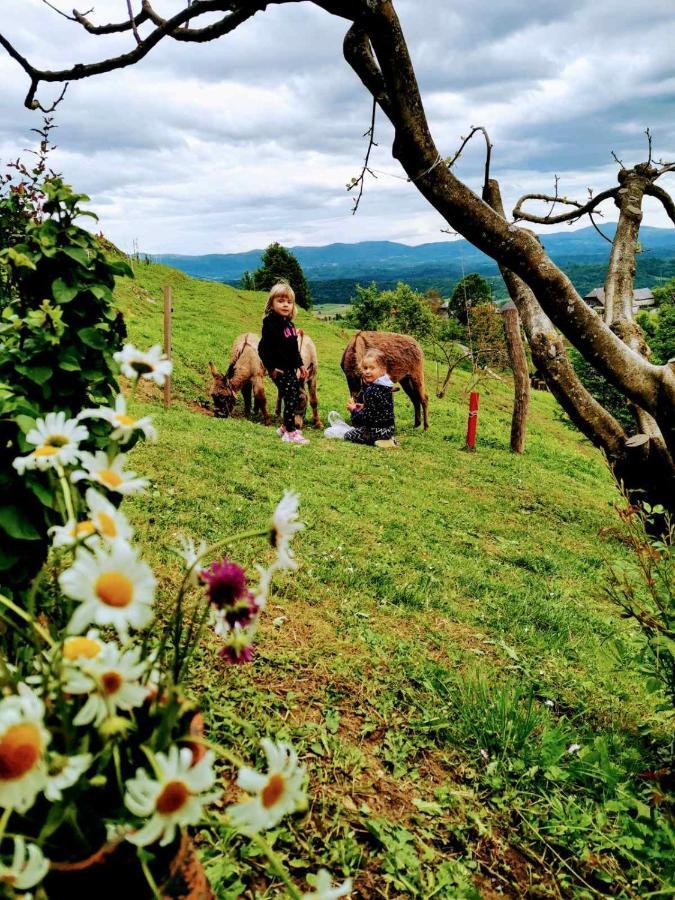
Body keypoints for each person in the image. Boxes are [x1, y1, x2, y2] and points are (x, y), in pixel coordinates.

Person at [257, 282, 310, 444]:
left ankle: (283, 427)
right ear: (271, 304)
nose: (285, 305)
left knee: (293, 396)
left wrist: (300, 365)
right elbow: (263, 349)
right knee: (291, 398)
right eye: (280, 301)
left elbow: (294, 349)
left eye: (289, 302)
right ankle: (291, 432)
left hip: (290, 368)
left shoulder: (289, 325)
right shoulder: (271, 324)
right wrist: (271, 367)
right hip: (280, 369)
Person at [344, 348, 398, 448]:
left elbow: (366, 419)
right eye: (365, 368)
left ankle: (381, 442)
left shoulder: (371, 390)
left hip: (376, 431)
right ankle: (389, 439)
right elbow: (380, 408)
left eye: (372, 368)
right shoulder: (386, 386)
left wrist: (354, 410)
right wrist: (364, 406)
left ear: (382, 370)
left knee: (348, 435)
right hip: (389, 429)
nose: (367, 371)